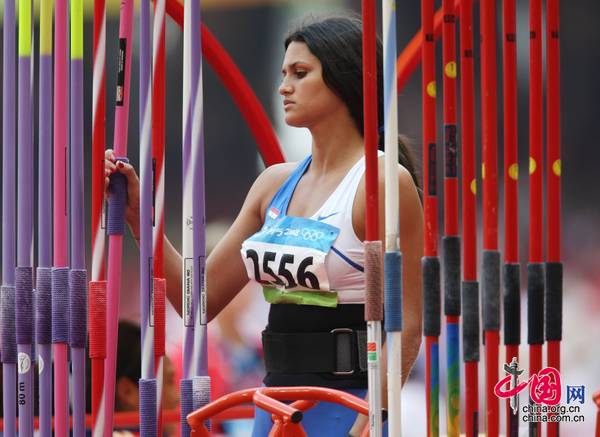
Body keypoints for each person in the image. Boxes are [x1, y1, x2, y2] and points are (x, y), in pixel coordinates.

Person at [105, 14, 423, 436]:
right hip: (274, 404)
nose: (283, 87)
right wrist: (140, 220)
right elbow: (197, 301)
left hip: (350, 405)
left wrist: (372, 417)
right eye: (283, 73)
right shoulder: (273, 184)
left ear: (344, 80)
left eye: (300, 73)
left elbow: (409, 320)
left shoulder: (382, 183)